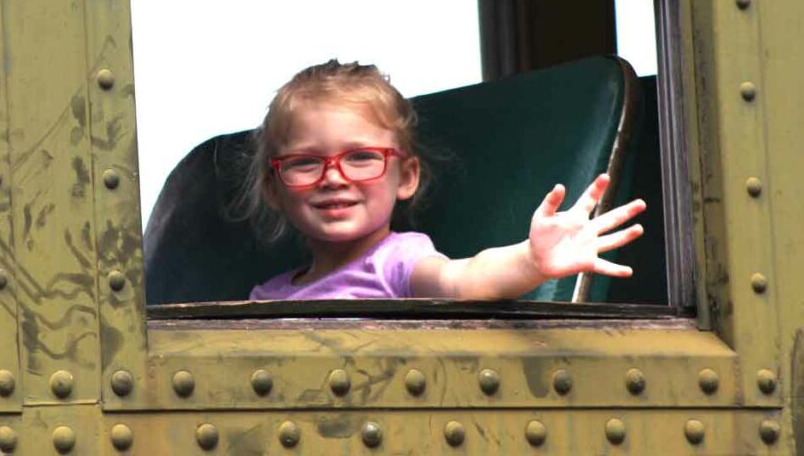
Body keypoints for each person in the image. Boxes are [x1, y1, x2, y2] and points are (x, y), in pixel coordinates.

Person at [247, 60, 646, 300]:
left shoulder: (397, 262)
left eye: (362, 157)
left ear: (406, 176)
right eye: (305, 163)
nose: (334, 177)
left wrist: (531, 261)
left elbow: (461, 280)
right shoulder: (267, 296)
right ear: (274, 188)